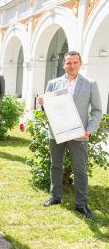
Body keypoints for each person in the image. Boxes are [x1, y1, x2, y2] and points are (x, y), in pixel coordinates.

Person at [39, 51, 102, 219]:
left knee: (80, 169)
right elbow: (46, 111)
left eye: (75, 62)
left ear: (80, 64)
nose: (71, 65)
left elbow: (97, 110)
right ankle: (55, 197)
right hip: (57, 133)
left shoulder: (90, 83)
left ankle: (81, 204)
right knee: (55, 166)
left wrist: (90, 129)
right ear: (63, 64)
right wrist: (44, 105)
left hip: (79, 134)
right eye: (68, 63)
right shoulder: (53, 84)